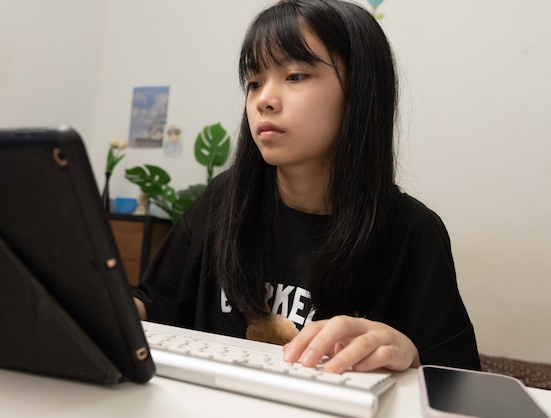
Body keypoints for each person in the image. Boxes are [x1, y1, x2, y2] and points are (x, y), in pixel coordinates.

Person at [132, 0, 481, 373]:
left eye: (295, 76)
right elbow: (151, 309)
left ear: (360, 90)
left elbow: (458, 383)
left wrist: (409, 354)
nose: (263, 99)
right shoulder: (223, 201)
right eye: (253, 82)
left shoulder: (412, 232)